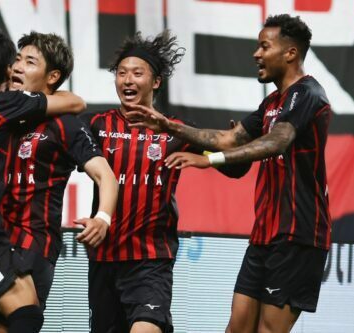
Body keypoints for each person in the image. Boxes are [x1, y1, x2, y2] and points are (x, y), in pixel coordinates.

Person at [127, 14, 331, 333]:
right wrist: (169, 126)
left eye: (265, 46)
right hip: (265, 234)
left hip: (299, 235)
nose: (256, 54)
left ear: (290, 53)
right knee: (236, 328)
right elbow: (228, 138)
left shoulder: (308, 94)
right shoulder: (272, 102)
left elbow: (278, 142)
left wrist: (211, 161)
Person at [0, 31, 119, 331]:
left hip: (31, 242)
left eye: (30, 62)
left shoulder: (64, 123)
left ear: (52, 76)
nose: (17, 67)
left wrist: (104, 217)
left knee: (14, 321)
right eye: (16, 59)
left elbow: (104, 174)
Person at [81, 30, 247, 333]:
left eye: (137, 73)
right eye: (121, 73)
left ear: (155, 82)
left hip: (150, 260)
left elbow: (236, 170)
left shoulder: (178, 131)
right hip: (103, 260)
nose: (127, 80)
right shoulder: (95, 125)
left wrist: (227, 153)